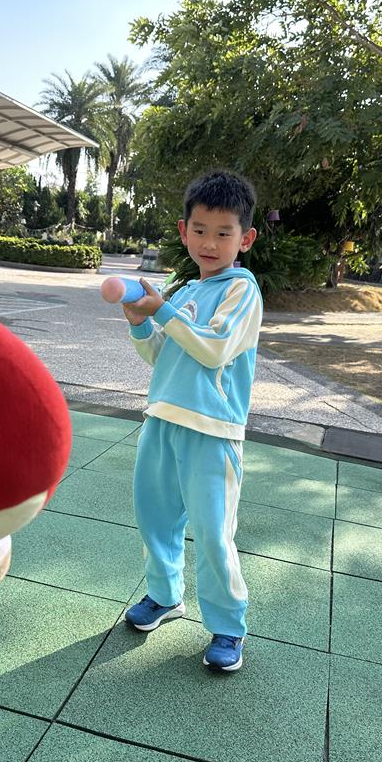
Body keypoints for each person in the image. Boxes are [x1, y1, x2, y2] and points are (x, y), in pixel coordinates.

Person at [119, 170, 262, 672]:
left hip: (213, 431)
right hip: (162, 420)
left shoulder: (241, 290)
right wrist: (141, 324)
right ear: (184, 232)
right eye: (200, 230)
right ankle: (165, 596)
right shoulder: (182, 291)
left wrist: (163, 312)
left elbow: (214, 347)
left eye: (224, 233)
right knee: (155, 518)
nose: (210, 243)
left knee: (213, 532)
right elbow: (164, 357)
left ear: (245, 239)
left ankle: (228, 626)